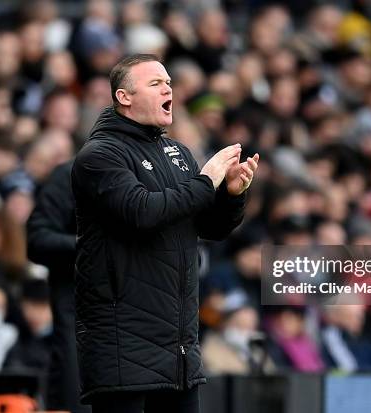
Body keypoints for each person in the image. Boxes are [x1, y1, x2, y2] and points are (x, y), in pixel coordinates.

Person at [71, 54, 259, 413]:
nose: (167, 88)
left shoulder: (178, 152)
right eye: (155, 83)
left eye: (169, 82)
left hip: (178, 347)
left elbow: (209, 227)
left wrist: (231, 195)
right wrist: (206, 181)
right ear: (124, 97)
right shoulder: (99, 155)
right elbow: (143, 212)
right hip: (122, 345)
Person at [26, 160, 90, 412]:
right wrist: (93, 247)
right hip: (80, 321)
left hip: (142, 322)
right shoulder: (73, 173)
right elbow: (37, 239)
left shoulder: (159, 173)